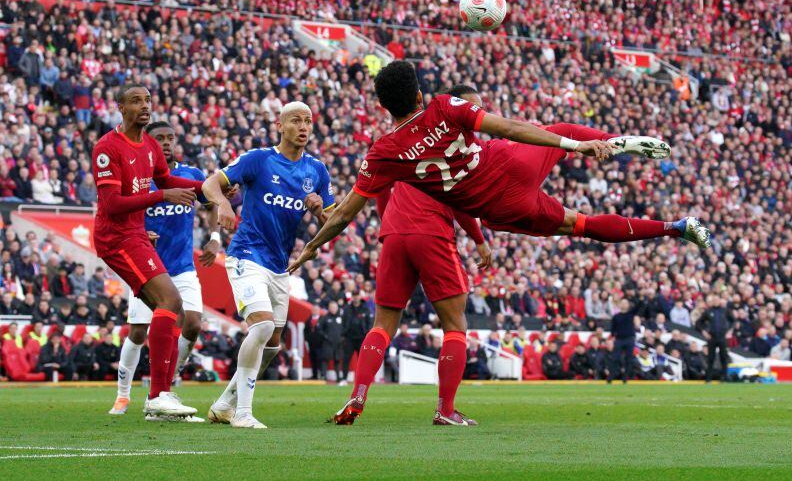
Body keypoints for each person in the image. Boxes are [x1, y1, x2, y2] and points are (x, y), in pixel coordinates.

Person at [289, 61, 711, 275]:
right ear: (418, 94)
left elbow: (344, 214)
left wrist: (311, 248)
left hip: (503, 207)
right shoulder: (442, 105)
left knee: (581, 225)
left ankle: (675, 227)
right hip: (508, 161)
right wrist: (576, 146)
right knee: (560, 127)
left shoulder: (383, 154)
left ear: (383, 106)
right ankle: (607, 141)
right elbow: (509, 126)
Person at [201, 101, 335, 428]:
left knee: (273, 345)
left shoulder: (316, 171)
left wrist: (319, 211)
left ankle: (224, 403)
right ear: (280, 124)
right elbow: (210, 185)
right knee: (260, 327)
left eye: (307, 121)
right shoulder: (259, 159)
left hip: (279, 265)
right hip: (247, 254)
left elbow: (334, 221)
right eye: (295, 121)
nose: (303, 127)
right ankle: (242, 413)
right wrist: (225, 207)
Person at [90, 85, 206, 419]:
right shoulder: (107, 148)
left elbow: (167, 179)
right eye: (137, 101)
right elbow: (111, 205)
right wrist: (160, 197)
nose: (145, 106)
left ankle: (161, 399)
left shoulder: (150, 145)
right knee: (168, 304)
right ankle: (153, 396)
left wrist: (211, 186)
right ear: (121, 108)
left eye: (148, 100)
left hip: (137, 235)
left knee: (171, 308)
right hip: (116, 239)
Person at [333, 181, 490, 426]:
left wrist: (390, 222)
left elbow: (382, 188)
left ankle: (358, 395)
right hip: (432, 231)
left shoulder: (396, 146)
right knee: (455, 325)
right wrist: (479, 240)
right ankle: (445, 411)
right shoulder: (448, 145)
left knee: (382, 325)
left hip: (393, 234)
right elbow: (460, 199)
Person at [110, 120, 217, 421]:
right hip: (148, 267)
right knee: (137, 332)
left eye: (171, 138)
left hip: (182, 266)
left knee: (192, 324)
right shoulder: (140, 178)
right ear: (149, 141)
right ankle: (122, 394)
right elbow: (121, 212)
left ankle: (165, 389)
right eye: (160, 138)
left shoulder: (190, 174)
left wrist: (215, 238)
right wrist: (141, 234)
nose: (167, 143)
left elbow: (212, 202)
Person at [696, 296, 732, 383]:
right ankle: (708, 379)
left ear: (720, 301)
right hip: (712, 338)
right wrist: (704, 332)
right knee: (710, 358)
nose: (716, 301)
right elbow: (698, 323)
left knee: (723, 357)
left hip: (722, 337)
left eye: (717, 300)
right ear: (712, 302)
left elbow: (733, 321)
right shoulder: (708, 311)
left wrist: (730, 331)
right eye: (714, 300)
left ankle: (725, 378)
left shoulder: (725, 310)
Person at [609, 298, 641, 383]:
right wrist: (612, 338)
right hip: (619, 339)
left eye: (625, 303)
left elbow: (638, 307)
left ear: (628, 305)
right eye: (622, 303)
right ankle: (611, 377)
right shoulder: (616, 316)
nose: (623, 304)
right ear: (619, 305)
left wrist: (641, 298)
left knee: (629, 359)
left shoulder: (631, 314)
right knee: (615, 358)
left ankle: (625, 378)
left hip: (629, 339)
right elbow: (613, 329)